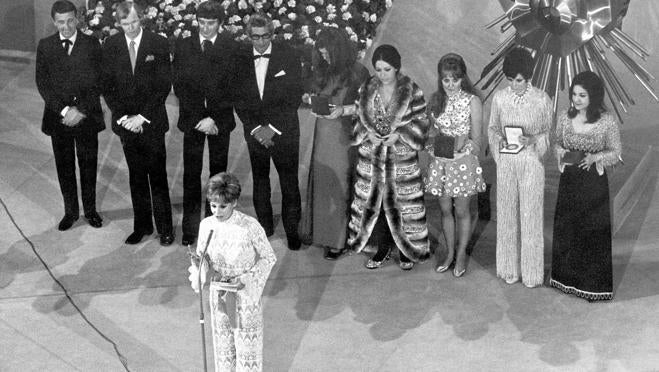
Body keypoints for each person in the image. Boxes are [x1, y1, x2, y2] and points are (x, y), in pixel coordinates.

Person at [346, 44, 430, 270]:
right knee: (377, 204)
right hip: (372, 157)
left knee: (404, 205)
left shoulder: (412, 90)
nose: (382, 75)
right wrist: (367, 134)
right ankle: (382, 247)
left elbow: (422, 122)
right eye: (378, 69)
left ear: (397, 68)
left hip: (400, 160)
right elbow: (356, 119)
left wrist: (400, 134)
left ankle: (405, 250)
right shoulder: (366, 88)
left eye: (387, 69)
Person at [101, 1, 174, 245]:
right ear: (118, 23)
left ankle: (165, 228)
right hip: (126, 124)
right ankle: (142, 226)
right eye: (125, 24)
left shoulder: (159, 43)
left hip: (150, 121)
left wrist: (142, 117)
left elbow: (163, 84)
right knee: (136, 176)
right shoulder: (111, 45)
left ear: (141, 19)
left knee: (157, 175)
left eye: (133, 22)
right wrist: (123, 118)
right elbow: (107, 86)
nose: (130, 27)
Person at [188, 172, 276, 371]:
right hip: (219, 294)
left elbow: (269, 257)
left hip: (245, 294)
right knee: (223, 350)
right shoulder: (206, 225)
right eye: (213, 205)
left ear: (234, 202)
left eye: (222, 206)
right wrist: (200, 266)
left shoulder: (249, 226)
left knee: (247, 351)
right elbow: (203, 257)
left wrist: (248, 279)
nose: (216, 211)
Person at [233, 13, 304, 250]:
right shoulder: (240, 58)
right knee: (260, 181)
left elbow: (294, 96)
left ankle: (293, 232)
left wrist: (272, 129)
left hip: (284, 132)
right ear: (249, 35)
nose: (260, 42)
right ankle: (265, 228)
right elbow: (239, 99)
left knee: (289, 181)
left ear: (272, 34)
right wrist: (256, 129)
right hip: (255, 133)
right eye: (255, 37)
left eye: (265, 36)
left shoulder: (289, 55)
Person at [550, 71, 621, 301]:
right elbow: (557, 144)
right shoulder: (563, 116)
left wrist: (595, 158)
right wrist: (562, 153)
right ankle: (566, 281)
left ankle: (593, 286)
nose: (577, 99)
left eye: (582, 95)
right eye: (574, 94)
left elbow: (616, 153)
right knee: (568, 230)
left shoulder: (606, 121)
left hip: (593, 185)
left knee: (592, 232)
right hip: (569, 182)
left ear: (594, 95)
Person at [299, 28, 369, 260]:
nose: (325, 58)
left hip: (345, 136)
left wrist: (344, 110)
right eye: (321, 54)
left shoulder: (358, 72)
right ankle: (324, 235)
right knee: (322, 184)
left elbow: (370, 106)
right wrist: (309, 99)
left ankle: (339, 240)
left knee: (340, 186)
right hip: (323, 133)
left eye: (328, 54)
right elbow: (313, 93)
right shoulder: (320, 70)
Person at [173, 1, 238, 247]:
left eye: (211, 23)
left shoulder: (230, 46)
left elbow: (233, 87)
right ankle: (190, 230)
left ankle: (216, 228)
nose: (206, 28)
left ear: (220, 24)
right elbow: (180, 85)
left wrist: (214, 119)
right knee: (191, 174)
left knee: (218, 176)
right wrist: (199, 119)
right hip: (194, 122)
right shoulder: (184, 45)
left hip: (219, 122)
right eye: (202, 23)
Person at [36, 0, 104, 231]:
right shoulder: (45, 46)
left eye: (70, 21)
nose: (66, 26)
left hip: (86, 117)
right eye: (60, 22)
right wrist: (65, 110)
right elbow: (42, 83)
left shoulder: (92, 44)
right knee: (64, 167)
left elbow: (99, 80)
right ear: (54, 22)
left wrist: (81, 110)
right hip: (59, 118)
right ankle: (71, 212)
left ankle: (91, 210)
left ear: (77, 19)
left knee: (88, 165)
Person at [488, 48, 553, 287]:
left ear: (528, 77)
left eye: (518, 80)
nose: (514, 85)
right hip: (506, 162)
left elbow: (548, 132)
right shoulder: (499, 99)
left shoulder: (542, 99)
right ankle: (508, 269)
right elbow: (492, 129)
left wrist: (534, 140)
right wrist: (500, 144)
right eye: (509, 80)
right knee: (506, 215)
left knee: (531, 215)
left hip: (531, 163)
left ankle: (532, 273)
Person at [424, 53, 486, 277]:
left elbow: (477, 140)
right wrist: (434, 142)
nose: (450, 85)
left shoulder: (473, 101)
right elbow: (432, 132)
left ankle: (461, 255)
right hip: (441, 162)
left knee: (461, 210)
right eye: (445, 80)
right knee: (444, 209)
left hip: (462, 164)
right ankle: (449, 253)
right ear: (440, 80)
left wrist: (462, 146)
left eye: (455, 79)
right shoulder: (436, 99)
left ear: (463, 78)